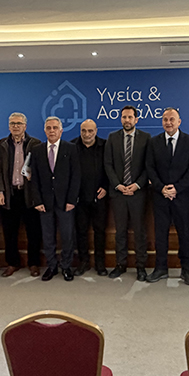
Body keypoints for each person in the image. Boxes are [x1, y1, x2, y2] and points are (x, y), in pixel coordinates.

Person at [145, 108, 189, 285]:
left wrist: (177, 188)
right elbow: (150, 168)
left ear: (179, 122)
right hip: (160, 196)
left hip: (182, 196)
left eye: (172, 119)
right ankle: (160, 268)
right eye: (165, 119)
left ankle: (186, 269)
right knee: (160, 234)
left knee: (184, 234)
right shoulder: (154, 142)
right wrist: (161, 188)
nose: (168, 123)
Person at [30, 116, 81, 281]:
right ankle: (51, 266)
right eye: (49, 128)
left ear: (61, 130)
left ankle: (66, 266)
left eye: (55, 128)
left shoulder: (71, 148)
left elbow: (76, 176)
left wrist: (72, 200)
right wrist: (37, 200)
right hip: (44, 202)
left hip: (65, 202)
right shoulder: (37, 150)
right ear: (45, 130)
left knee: (67, 236)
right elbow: (34, 178)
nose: (52, 131)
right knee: (48, 237)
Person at [104, 105, 151, 281]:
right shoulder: (112, 137)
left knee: (139, 231)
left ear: (136, 119)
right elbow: (108, 164)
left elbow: (148, 165)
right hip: (118, 193)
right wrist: (118, 185)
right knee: (120, 231)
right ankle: (120, 264)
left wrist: (137, 185)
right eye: (124, 117)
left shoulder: (146, 138)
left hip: (138, 193)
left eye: (130, 117)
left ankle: (141, 266)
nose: (127, 120)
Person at [0, 112, 42, 277]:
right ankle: (12, 263)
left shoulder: (35, 144)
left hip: (29, 195)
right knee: (9, 232)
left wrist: (34, 175)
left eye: (19, 123)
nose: (16, 126)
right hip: (10, 194)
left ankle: (33, 263)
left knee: (33, 232)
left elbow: (42, 170)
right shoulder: (2, 144)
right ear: (9, 126)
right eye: (13, 123)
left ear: (25, 126)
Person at [71, 119, 109, 276]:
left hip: (99, 197)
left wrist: (106, 187)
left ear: (96, 131)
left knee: (100, 231)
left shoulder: (105, 146)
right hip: (79, 198)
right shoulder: (72, 146)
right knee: (80, 231)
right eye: (84, 131)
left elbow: (110, 168)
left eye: (90, 131)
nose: (87, 134)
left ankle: (100, 264)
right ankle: (83, 262)